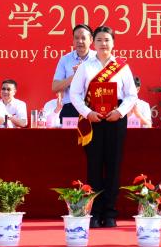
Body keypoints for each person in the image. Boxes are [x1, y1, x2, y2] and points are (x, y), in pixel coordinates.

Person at [70, 25, 138, 228]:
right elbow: (75, 94)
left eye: (107, 40)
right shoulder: (85, 67)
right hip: (93, 120)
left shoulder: (122, 66)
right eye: (99, 40)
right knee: (94, 166)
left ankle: (110, 213)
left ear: (113, 43)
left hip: (115, 118)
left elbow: (131, 95)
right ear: (93, 42)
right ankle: (94, 213)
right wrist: (87, 113)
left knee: (113, 166)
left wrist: (120, 112)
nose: (103, 44)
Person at [53, 24, 95, 120]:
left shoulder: (98, 58)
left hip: (94, 108)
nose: (79, 41)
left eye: (83, 38)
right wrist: (74, 76)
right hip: (70, 109)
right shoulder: (65, 60)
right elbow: (55, 87)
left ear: (91, 40)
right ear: (73, 40)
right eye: (76, 38)